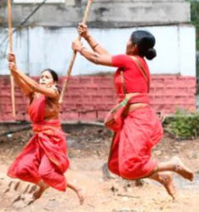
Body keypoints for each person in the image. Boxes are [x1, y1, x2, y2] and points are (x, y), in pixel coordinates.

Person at [72, 24, 194, 199]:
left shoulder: (129, 60)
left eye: (129, 40)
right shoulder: (131, 61)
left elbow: (98, 59)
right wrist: (87, 37)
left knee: (130, 166)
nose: (126, 42)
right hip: (130, 118)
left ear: (134, 46)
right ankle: (163, 178)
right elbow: (106, 57)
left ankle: (172, 165)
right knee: (117, 166)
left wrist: (80, 49)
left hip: (139, 118)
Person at [7, 54, 84, 204]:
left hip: (52, 139)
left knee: (46, 172)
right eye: (41, 76)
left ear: (54, 82)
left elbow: (35, 86)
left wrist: (18, 70)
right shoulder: (34, 95)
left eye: (46, 77)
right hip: (38, 139)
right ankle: (42, 185)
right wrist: (13, 70)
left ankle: (77, 188)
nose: (42, 79)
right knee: (23, 168)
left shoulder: (54, 93)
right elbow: (23, 85)